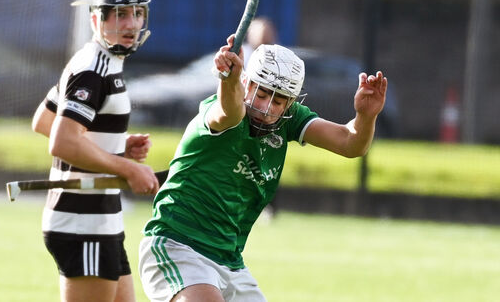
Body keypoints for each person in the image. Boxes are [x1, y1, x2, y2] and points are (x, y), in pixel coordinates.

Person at [138, 36, 388, 302]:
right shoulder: (221, 111)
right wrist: (229, 80)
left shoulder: (288, 122)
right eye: (262, 93)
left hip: (229, 261)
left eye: (279, 101)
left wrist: (366, 116)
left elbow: (350, 144)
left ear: (290, 104)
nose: (267, 108)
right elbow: (229, 111)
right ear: (247, 84)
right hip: (178, 246)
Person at [31, 0, 161, 302]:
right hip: (81, 222)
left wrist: (117, 144)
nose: (131, 23)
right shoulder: (93, 69)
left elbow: (44, 121)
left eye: (137, 12)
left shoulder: (103, 62)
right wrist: (128, 168)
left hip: (102, 221)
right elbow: (61, 141)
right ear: (96, 19)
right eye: (120, 14)